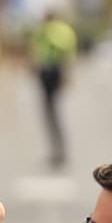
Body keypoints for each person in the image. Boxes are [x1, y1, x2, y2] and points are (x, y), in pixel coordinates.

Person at [30, 9, 78, 169]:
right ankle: (59, 150)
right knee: (53, 112)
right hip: (55, 72)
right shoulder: (66, 30)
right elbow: (68, 53)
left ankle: (58, 151)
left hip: (49, 72)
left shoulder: (47, 30)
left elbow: (44, 52)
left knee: (51, 113)